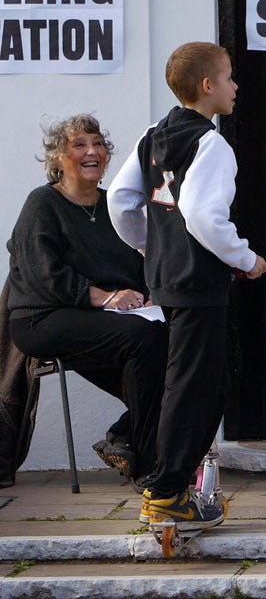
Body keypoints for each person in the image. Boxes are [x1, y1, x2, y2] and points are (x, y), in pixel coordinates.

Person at [107, 41, 266, 532]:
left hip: (166, 278)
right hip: (199, 282)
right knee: (195, 387)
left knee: (187, 381)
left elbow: (120, 200)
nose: (236, 86)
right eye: (229, 77)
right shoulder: (212, 143)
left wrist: (147, 250)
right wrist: (247, 258)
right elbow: (202, 215)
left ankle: (168, 487)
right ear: (207, 86)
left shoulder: (153, 134)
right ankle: (168, 492)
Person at [5, 114, 168, 491]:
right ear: (59, 158)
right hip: (43, 318)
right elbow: (44, 275)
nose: (92, 151)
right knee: (144, 339)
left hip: (102, 319)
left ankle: (125, 438)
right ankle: (147, 466)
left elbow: (141, 261)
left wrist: (146, 293)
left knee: (181, 342)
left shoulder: (114, 207)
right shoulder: (42, 203)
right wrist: (107, 297)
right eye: (79, 145)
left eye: (98, 143)